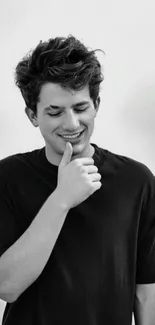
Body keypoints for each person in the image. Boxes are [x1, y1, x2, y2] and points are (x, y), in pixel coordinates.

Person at [0, 35, 155, 325]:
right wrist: (61, 199)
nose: (71, 124)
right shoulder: (8, 178)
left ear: (96, 104)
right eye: (55, 112)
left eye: (81, 108)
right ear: (32, 115)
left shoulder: (137, 181)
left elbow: (146, 294)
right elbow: (7, 286)